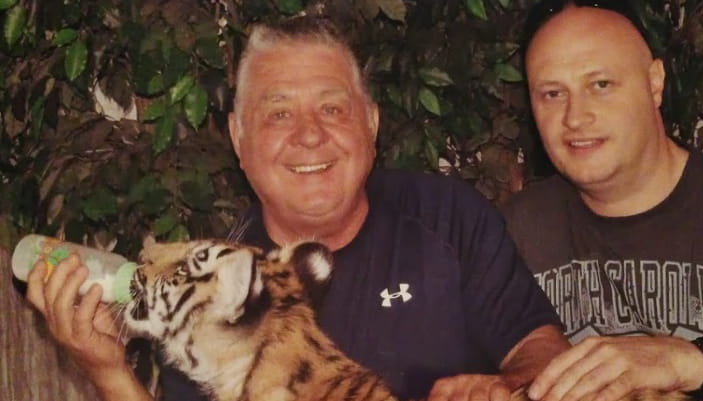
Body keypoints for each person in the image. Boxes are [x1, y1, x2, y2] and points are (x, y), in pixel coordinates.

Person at [24, 15, 570, 401]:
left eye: (332, 108)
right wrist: (108, 372)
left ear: (371, 123)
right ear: (239, 137)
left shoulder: (448, 216)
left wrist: (506, 388)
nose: (310, 136)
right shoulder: (215, 285)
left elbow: (540, 348)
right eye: (279, 114)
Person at [502, 1, 703, 400]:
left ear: (654, 82)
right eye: (553, 93)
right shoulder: (516, 229)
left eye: (600, 85)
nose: (575, 117)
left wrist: (691, 368)